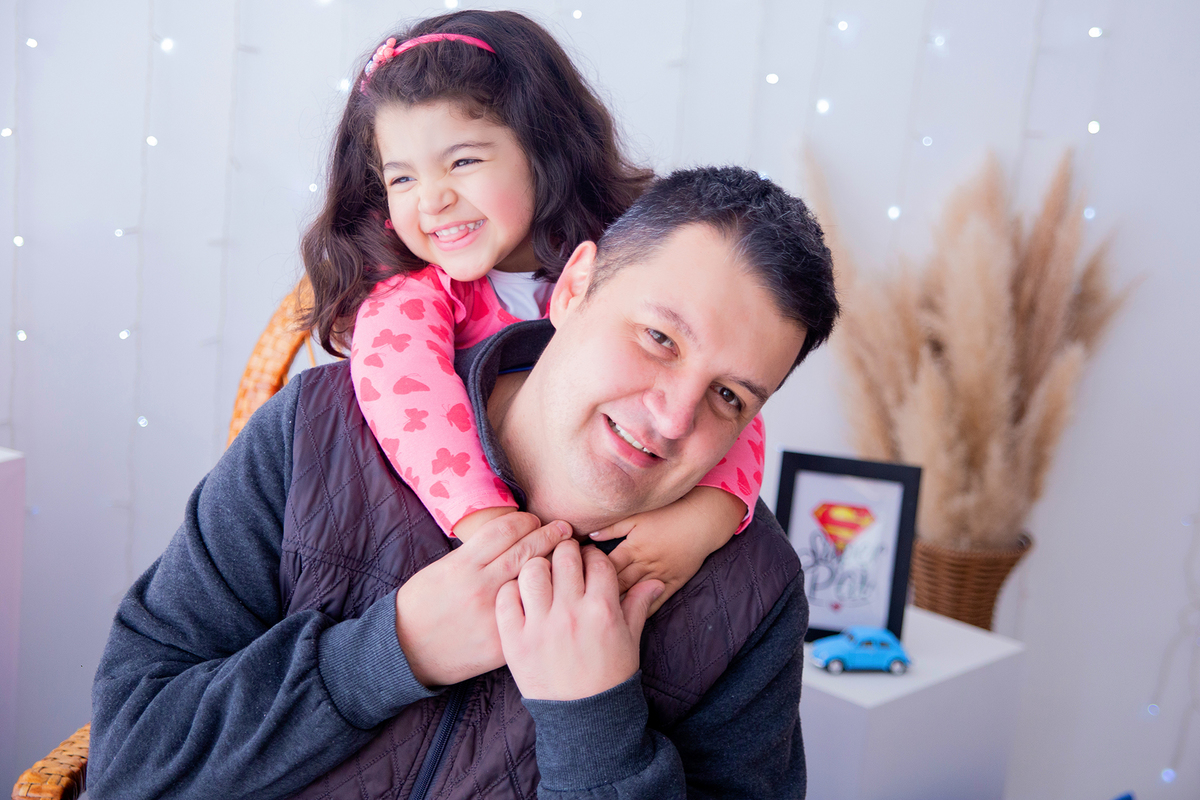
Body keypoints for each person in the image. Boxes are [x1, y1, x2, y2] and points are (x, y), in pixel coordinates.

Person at [89, 166, 838, 799]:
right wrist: (390, 651)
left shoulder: (754, 590)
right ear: (574, 289)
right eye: (658, 338)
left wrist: (595, 721)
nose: (674, 418)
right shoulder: (316, 430)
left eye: (730, 396)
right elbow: (128, 764)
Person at [302, 10, 765, 607]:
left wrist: (704, 521)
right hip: (464, 557)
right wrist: (490, 528)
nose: (433, 199)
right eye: (402, 179)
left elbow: (728, 390)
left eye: (463, 161)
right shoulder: (413, 298)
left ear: (544, 149)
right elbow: (405, 396)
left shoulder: (625, 272)